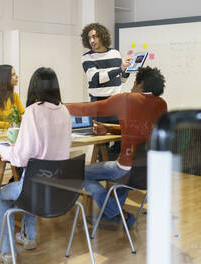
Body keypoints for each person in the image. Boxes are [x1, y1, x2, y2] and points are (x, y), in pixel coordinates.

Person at [0, 67, 72, 264]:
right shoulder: (65, 110)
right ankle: (29, 237)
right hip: (61, 188)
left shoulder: (33, 111)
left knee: (3, 196)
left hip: (35, 185)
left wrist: (0, 150)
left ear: (34, 86)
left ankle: (6, 250)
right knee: (31, 185)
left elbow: (20, 158)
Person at [65, 67, 167, 228]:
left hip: (126, 169)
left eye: (135, 81)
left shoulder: (128, 99)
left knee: (78, 172)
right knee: (122, 175)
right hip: (147, 172)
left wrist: (59, 106)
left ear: (141, 84)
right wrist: (110, 129)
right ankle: (112, 215)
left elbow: (90, 108)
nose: (132, 84)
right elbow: (144, 130)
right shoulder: (161, 105)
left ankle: (119, 213)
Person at [80, 23, 132, 160]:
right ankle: (101, 173)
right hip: (98, 105)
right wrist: (119, 69)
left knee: (121, 140)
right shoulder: (86, 58)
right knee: (101, 143)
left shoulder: (115, 54)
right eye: (89, 37)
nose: (92, 40)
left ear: (102, 37)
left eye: (95, 37)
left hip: (117, 103)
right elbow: (96, 78)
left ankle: (115, 171)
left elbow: (121, 80)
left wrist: (127, 71)